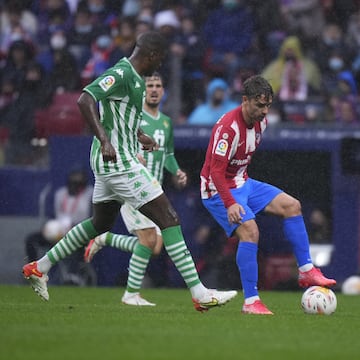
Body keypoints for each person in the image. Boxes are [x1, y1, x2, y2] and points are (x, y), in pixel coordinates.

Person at [22, 30, 237, 311]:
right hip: (118, 161)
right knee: (169, 217)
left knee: (100, 223)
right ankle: (199, 294)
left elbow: (119, 116)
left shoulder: (135, 80)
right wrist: (104, 139)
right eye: (158, 60)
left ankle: (40, 266)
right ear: (152, 55)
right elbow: (85, 99)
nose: (158, 67)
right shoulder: (121, 72)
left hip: (114, 159)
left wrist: (139, 135)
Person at [199, 75, 336, 315]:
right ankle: (251, 301)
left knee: (292, 206)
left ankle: (305, 270)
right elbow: (215, 173)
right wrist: (230, 203)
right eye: (259, 105)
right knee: (250, 231)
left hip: (243, 182)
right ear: (244, 100)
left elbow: (239, 165)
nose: (264, 111)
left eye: (267, 105)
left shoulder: (262, 122)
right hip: (216, 189)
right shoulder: (228, 129)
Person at [83, 72, 188, 306]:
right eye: (149, 85)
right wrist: (132, 155)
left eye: (158, 85)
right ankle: (132, 293)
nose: (153, 89)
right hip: (133, 183)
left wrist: (177, 171)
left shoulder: (166, 122)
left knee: (155, 246)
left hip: (154, 187)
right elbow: (118, 138)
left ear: (163, 91)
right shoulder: (133, 116)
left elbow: (167, 154)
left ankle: (106, 238)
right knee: (149, 240)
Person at [24, 167, 95, 285]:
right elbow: (57, 215)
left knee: (75, 242)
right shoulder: (60, 193)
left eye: (79, 178)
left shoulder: (90, 193)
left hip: (79, 231)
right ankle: (35, 272)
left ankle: (73, 276)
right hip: (58, 231)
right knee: (31, 240)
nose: (75, 183)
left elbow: (91, 217)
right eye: (73, 178)